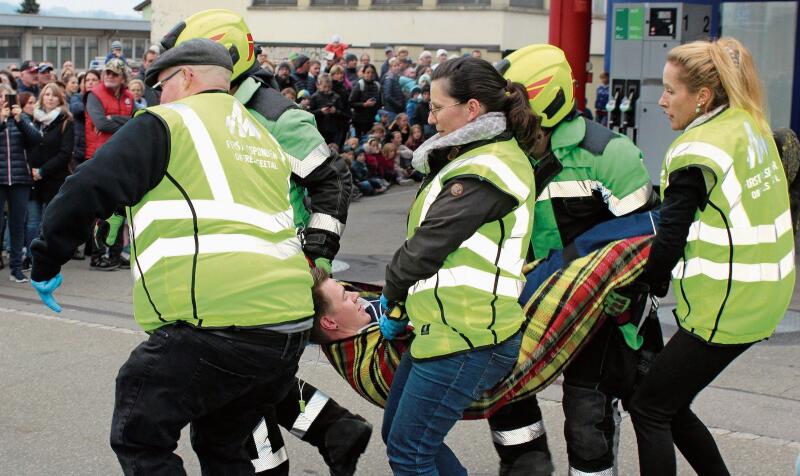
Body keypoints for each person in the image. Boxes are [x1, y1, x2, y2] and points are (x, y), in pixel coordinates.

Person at [29, 38, 316, 475]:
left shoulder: (168, 121)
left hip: (219, 321)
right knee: (224, 445)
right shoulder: (259, 136)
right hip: (287, 325)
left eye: (161, 84)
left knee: (139, 431)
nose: (157, 96)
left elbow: (85, 189)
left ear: (187, 76)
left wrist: (45, 260)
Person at [160, 10, 369, 475]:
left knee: (228, 391)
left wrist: (315, 256)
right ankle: (335, 428)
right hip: (226, 271)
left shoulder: (275, 116)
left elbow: (331, 182)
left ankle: (291, 454)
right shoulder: (203, 110)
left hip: (270, 274)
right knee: (254, 378)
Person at [607, 37, 795, 476]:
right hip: (763, 294)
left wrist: (640, 286)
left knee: (649, 407)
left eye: (671, 90)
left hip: (727, 305)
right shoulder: (748, 123)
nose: (662, 100)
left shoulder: (696, 152)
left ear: (703, 96)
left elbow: (670, 238)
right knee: (669, 402)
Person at [492, 43, 658, 476]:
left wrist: (629, 297)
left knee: (587, 415)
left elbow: (649, 243)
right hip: (518, 300)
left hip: (597, 309)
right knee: (502, 394)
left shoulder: (610, 155)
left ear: (544, 99)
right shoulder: (501, 155)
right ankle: (528, 467)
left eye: (511, 102)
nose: (501, 113)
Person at [379, 56, 539, 475]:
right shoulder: (476, 156)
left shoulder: (488, 166)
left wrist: (391, 297)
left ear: (472, 109)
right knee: (402, 437)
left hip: (470, 335)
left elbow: (426, 248)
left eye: (436, 107)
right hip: (449, 329)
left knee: (410, 452)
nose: (429, 118)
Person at [84, 58, 135, 270]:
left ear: (123, 77)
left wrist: (113, 118)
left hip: (122, 158)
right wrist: (120, 122)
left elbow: (135, 121)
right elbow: (100, 123)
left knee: (120, 210)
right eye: (107, 72)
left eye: (114, 73)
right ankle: (97, 255)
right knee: (102, 211)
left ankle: (114, 254)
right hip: (100, 158)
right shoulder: (94, 95)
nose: (109, 76)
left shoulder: (129, 96)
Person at [25, 83, 74, 270]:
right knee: (32, 221)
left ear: (60, 99)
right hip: (32, 179)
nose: (50, 98)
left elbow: (65, 153)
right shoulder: (30, 119)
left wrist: (43, 171)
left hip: (54, 178)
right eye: (46, 94)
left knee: (50, 222)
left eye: (54, 95)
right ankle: (30, 256)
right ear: (41, 97)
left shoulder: (66, 122)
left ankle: (47, 258)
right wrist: (31, 170)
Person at [0, 84, 40, 282]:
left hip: (20, 179)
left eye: (6, 96)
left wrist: (19, 120)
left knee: (18, 223)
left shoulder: (21, 118)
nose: (4, 100)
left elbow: (36, 139)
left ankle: (16, 267)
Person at [309, 73, 348, 148]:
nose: (327, 89)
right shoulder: (314, 97)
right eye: (324, 87)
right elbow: (309, 113)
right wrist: (320, 111)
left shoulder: (336, 97)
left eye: (329, 87)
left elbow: (344, 114)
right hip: (319, 130)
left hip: (334, 130)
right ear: (318, 85)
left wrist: (335, 111)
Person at [349, 64, 381, 138]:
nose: (370, 75)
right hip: (359, 120)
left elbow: (380, 102)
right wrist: (364, 104)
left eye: (372, 72)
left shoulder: (377, 85)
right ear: (363, 73)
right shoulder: (359, 85)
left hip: (372, 120)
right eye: (368, 72)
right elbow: (351, 102)